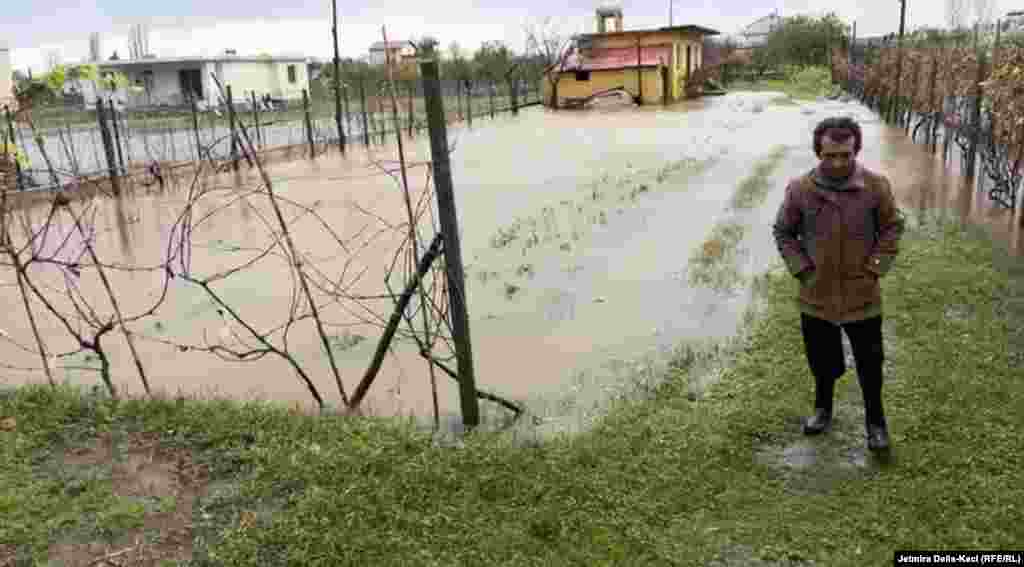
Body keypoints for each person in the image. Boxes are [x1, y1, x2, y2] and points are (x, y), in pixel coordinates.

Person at [772, 116, 905, 452]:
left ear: (855, 150)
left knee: (870, 362)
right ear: (819, 152)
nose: (838, 163)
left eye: (845, 155)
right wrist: (803, 270)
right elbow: (783, 232)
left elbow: (892, 227)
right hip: (816, 295)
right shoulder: (800, 190)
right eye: (830, 155)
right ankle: (822, 409)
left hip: (863, 295)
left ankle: (876, 423)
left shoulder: (876, 187)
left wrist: (875, 268)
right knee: (822, 360)